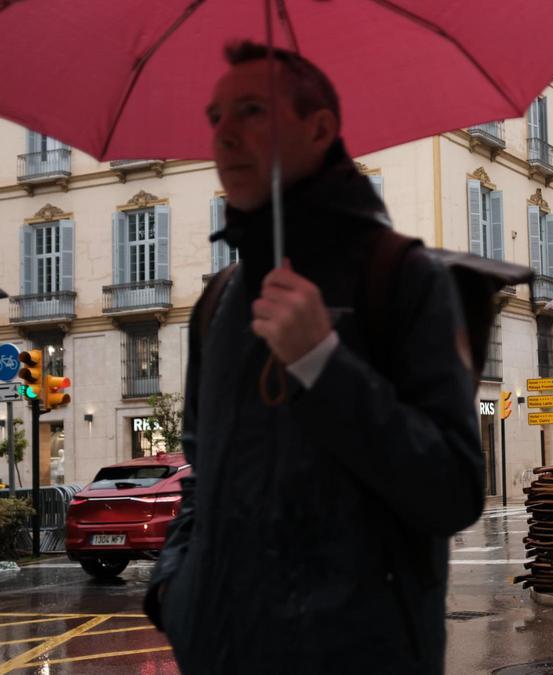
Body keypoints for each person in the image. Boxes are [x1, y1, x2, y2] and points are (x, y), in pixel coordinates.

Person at [143, 42, 484, 674]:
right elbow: (200, 473)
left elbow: (453, 491)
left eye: (251, 110)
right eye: (215, 116)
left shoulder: (403, 278)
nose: (223, 135)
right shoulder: (218, 300)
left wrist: (321, 364)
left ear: (319, 126)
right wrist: (176, 590)